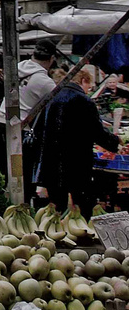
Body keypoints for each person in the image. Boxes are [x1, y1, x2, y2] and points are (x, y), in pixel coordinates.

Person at [32, 67, 120, 211]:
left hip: (51, 161)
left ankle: (57, 229)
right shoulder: (84, 101)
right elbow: (96, 132)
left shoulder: (50, 97)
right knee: (81, 203)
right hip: (77, 161)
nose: (88, 90)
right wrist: (115, 142)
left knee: (56, 205)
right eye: (88, 86)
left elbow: (38, 128)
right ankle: (82, 228)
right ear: (83, 81)